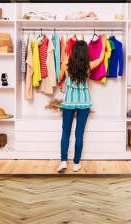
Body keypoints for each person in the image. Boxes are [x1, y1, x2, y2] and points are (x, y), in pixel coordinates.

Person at [57, 37, 106, 172]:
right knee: (79, 134)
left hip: (68, 103)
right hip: (84, 103)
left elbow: (59, 78)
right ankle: (76, 163)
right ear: (85, 53)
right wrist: (104, 40)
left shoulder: (65, 65)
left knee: (65, 133)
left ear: (73, 52)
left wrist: (64, 77)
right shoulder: (88, 65)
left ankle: (63, 162)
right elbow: (101, 58)